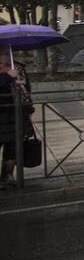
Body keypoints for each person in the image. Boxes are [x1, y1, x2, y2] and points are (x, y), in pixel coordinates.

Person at [0, 56, 35, 187]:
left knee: (13, 146)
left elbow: (27, 88)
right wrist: (7, 76)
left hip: (15, 112)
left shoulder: (18, 66)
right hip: (1, 111)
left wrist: (28, 107)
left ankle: (7, 175)